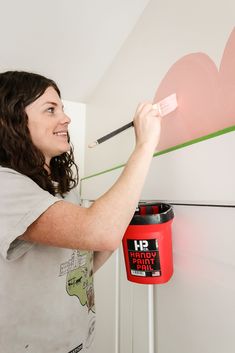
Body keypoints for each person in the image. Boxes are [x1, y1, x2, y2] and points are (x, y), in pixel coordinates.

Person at [0, 71, 162, 353]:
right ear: (11, 120)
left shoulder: (59, 188)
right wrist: (145, 144)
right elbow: (97, 231)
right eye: (51, 109)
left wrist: (120, 218)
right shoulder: (4, 186)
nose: (66, 118)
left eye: (62, 108)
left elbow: (79, 264)